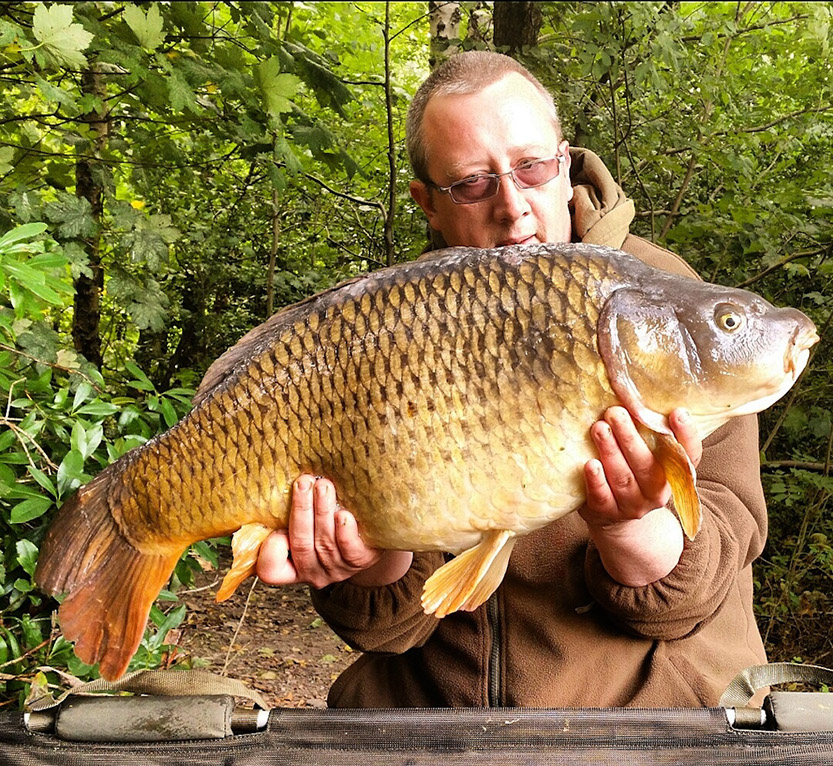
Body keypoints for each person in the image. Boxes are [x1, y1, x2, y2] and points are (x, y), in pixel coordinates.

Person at [255, 52, 769, 708]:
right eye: (472, 182)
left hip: (650, 720)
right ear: (428, 203)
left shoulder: (669, 308)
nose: (513, 208)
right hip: (440, 725)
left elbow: (696, 595)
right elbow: (387, 629)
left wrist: (627, 526)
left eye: (531, 167)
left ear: (563, 162)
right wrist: (371, 560)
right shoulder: (388, 329)